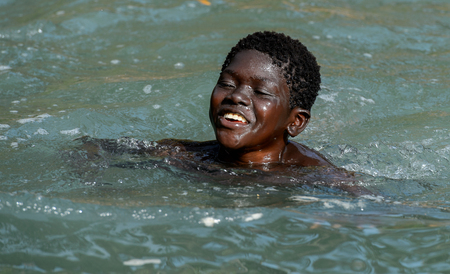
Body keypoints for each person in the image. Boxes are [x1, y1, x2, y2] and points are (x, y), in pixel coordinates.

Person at [77, 31, 370, 195]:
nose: (237, 97)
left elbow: (374, 207)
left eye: (261, 92)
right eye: (227, 83)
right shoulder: (188, 156)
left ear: (295, 122)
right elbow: (90, 146)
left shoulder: (313, 176)